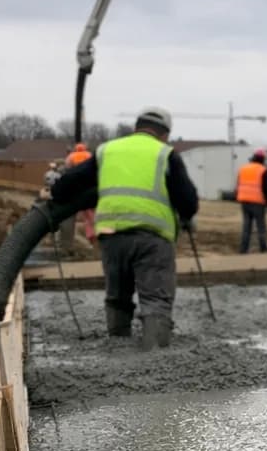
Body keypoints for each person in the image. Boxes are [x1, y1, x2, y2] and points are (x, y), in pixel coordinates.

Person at [51, 107, 199, 350]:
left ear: (136, 128)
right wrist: (186, 216)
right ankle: (156, 356)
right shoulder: (165, 153)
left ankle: (118, 352)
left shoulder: (107, 150)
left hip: (112, 236)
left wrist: (57, 197)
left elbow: (67, 184)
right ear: (164, 134)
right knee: (155, 299)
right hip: (152, 237)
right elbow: (188, 200)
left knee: (117, 296)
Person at [236, 147, 267, 253]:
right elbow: (266, 189)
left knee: (246, 227)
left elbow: (238, 184)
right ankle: (263, 248)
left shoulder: (243, 169)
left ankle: (243, 249)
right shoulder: (264, 170)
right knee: (261, 226)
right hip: (258, 202)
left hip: (244, 201)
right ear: (263, 159)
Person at [65, 142, 97, 246]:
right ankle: (95, 234)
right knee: (92, 211)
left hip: (78, 186)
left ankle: (90, 235)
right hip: (89, 185)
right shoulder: (89, 155)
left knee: (86, 215)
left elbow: (67, 168)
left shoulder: (71, 157)